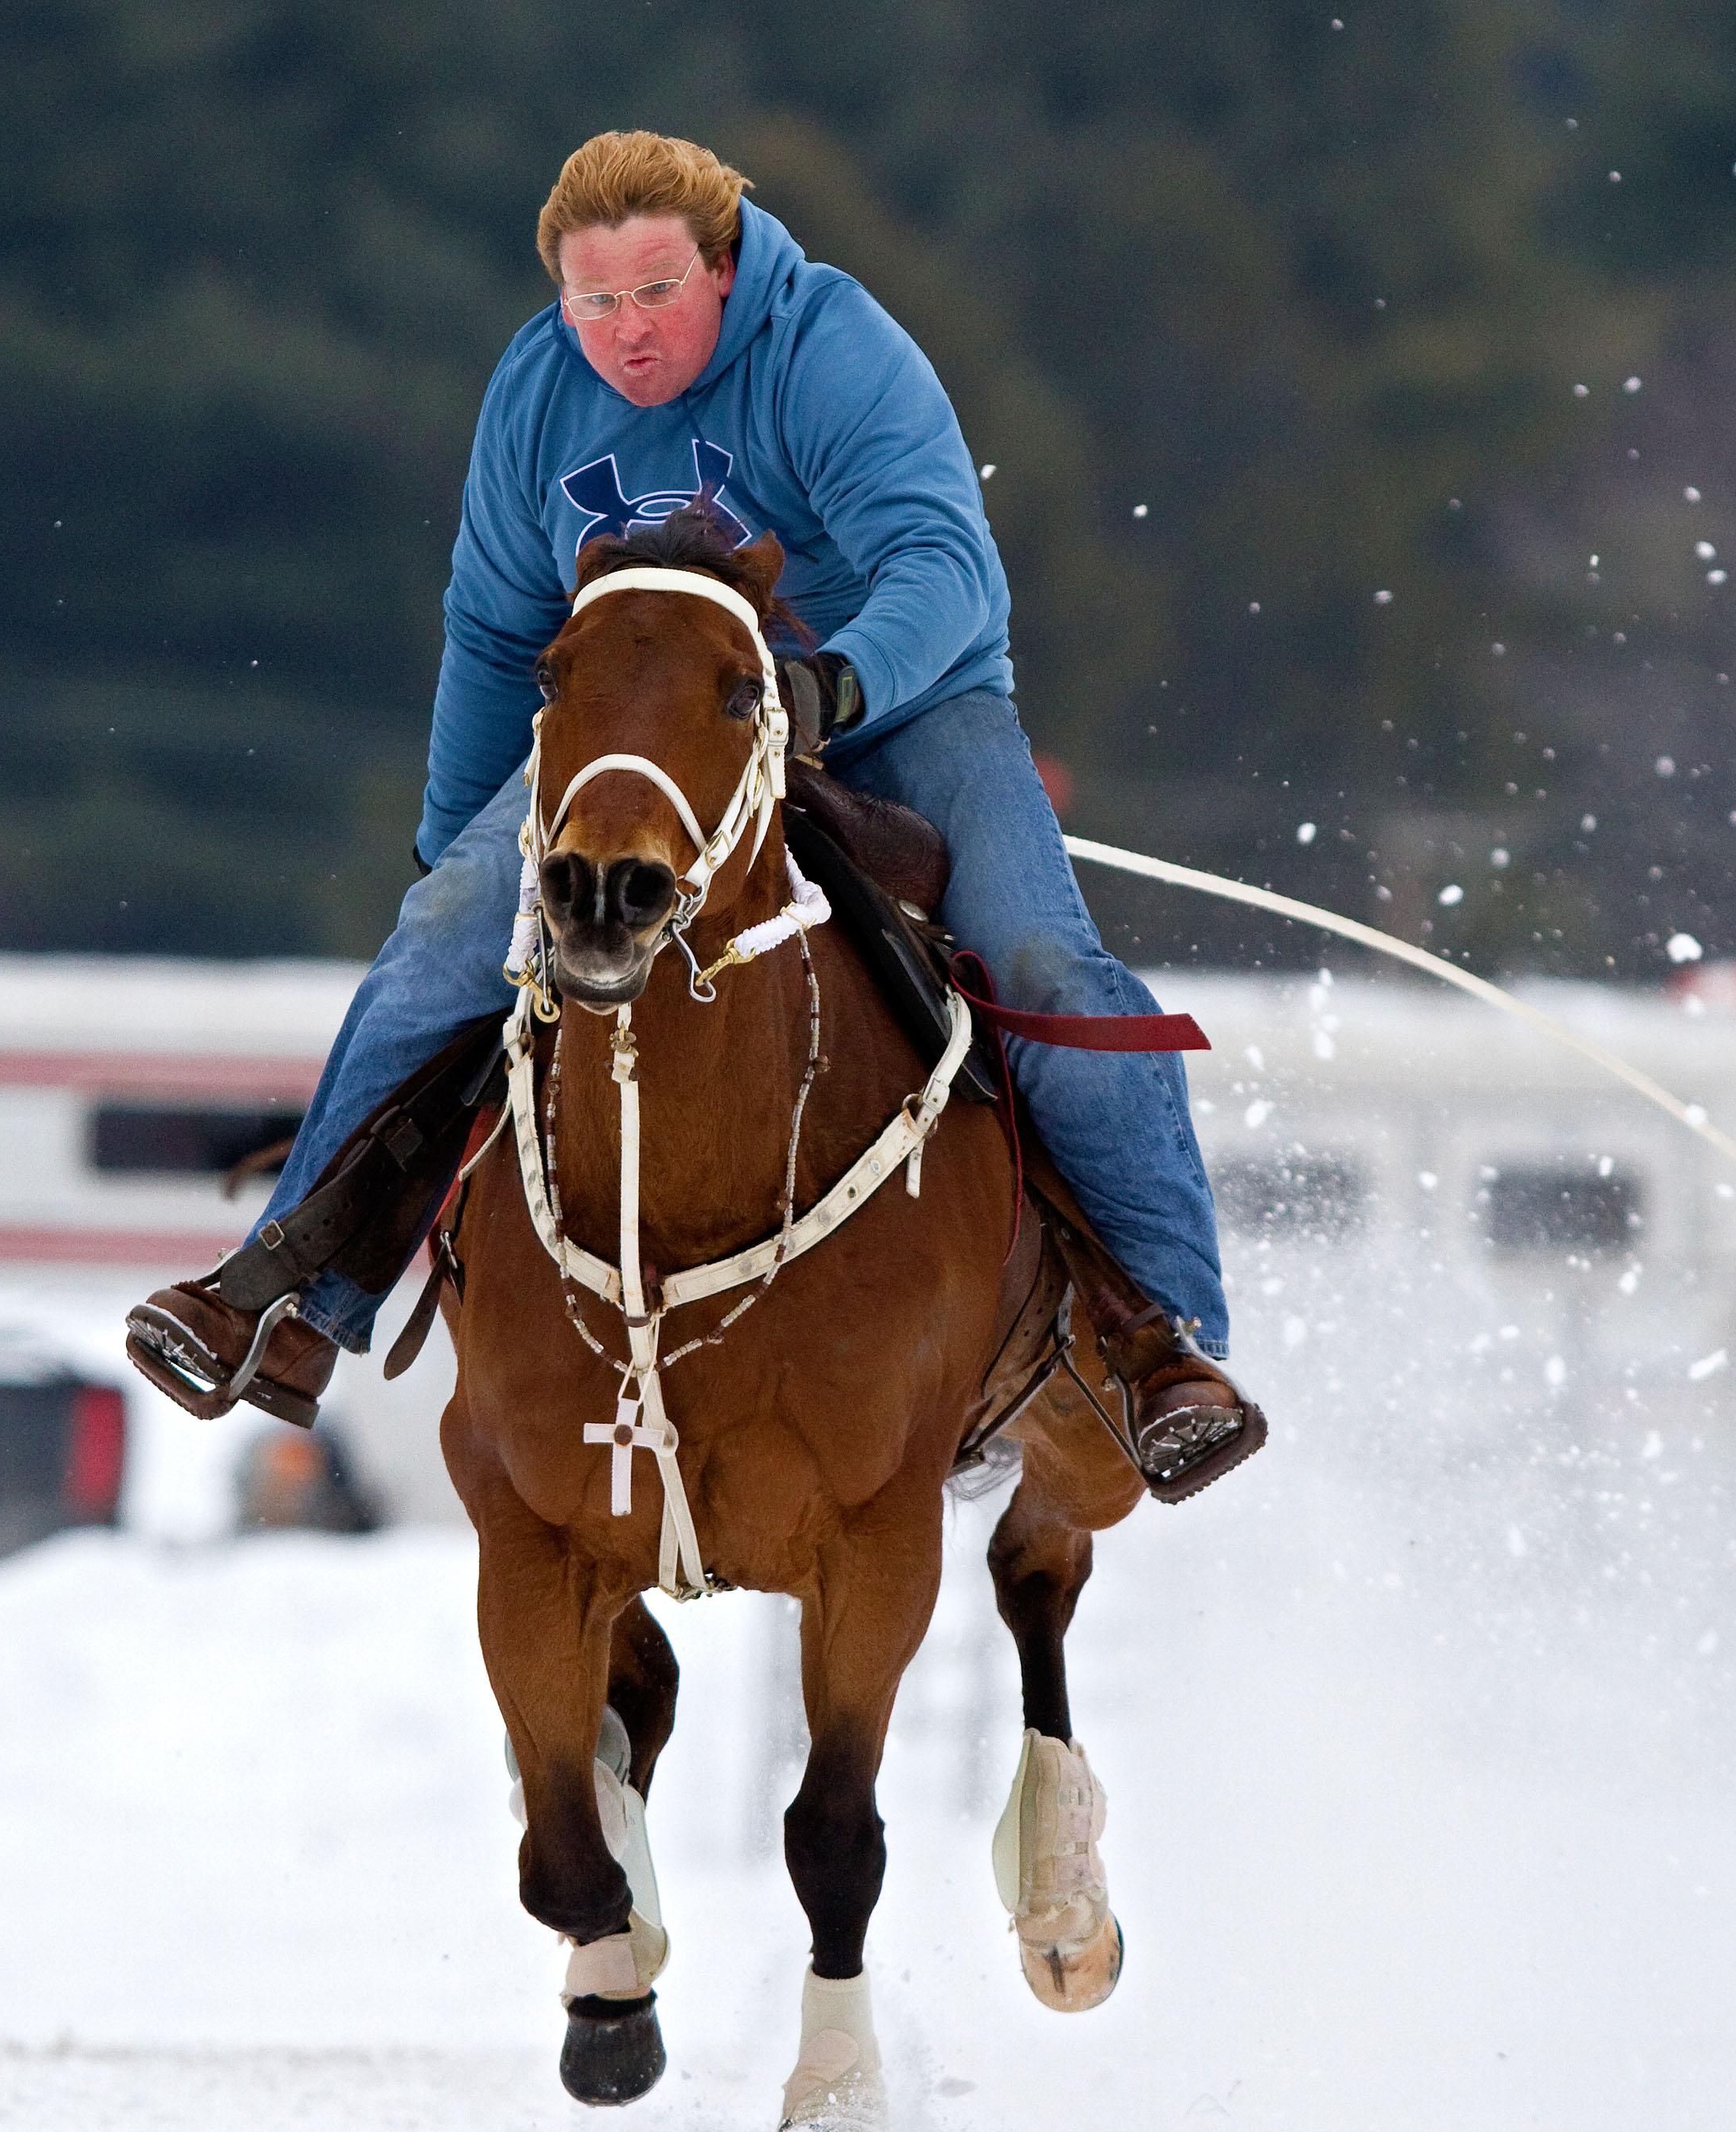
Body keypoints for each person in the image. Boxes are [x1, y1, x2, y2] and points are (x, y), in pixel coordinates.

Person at [126, 131, 1254, 1493]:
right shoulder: (537, 388)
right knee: (443, 935)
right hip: (645, 737)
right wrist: (458, 847)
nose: (625, 333)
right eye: (592, 300)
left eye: (656, 290)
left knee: (1040, 966)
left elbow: (942, 561)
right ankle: (291, 1296)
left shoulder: (828, 345)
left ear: (724, 267)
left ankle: (1162, 1345)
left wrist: (831, 684)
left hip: (888, 707)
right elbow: (495, 630)